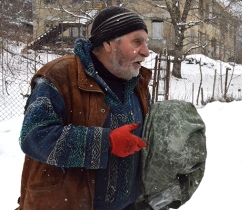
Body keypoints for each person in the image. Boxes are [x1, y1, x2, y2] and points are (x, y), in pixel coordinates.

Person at [18, 6, 152, 210]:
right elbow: (34, 136)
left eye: (146, 43)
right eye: (137, 41)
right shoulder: (59, 75)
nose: (146, 51)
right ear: (108, 43)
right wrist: (106, 143)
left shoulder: (137, 81)